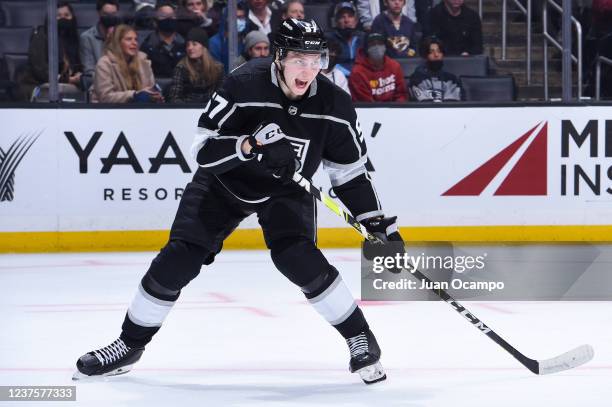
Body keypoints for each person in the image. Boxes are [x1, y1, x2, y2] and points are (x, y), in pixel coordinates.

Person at [74, 18, 403, 385]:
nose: (308, 69)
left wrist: (375, 222)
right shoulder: (243, 83)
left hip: (285, 188)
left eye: (315, 60)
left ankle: (360, 337)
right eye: (298, 59)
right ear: (278, 57)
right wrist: (250, 146)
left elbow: (350, 174)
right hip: (224, 182)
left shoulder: (334, 104)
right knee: (179, 258)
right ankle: (129, 344)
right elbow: (203, 149)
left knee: (298, 258)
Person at [18, 1, 83, 102]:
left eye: (67, 15)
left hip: (67, 86)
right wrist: (67, 79)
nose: (63, 18)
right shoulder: (40, 36)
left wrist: (79, 75)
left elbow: (77, 66)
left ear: (72, 17)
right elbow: (40, 70)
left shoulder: (74, 40)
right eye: (58, 16)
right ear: (51, 18)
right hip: (38, 85)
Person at [92, 24, 162, 103]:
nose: (134, 43)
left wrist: (154, 97)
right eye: (129, 39)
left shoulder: (144, 62)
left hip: (139, 110)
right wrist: (134, 95)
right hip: (111, 111)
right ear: (118, 43)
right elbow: (105, 97)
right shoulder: (104, 64)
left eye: (136, 39)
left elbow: (150, 90)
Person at [167, 27, 224, 103]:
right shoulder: (181, 68)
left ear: (204, 47)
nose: (190, 48)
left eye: (194, 44)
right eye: (188, 45)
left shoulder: (218, 68)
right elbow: (174, 98)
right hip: (185, 110)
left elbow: (221, 95)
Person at [349, 32, 407, 102]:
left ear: (385, 47)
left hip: (395, 108)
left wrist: (397, 107)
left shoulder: (394, 66)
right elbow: (364, 101)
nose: (377, 47)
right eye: (372, 44)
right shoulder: (357, 72)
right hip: (370, 110)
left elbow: (401, 93)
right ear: (366, 48)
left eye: (380, 44)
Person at [140, 2, 187, 78]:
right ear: (155, 22)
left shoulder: (185, 44)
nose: (169, 19)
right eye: (164, 16)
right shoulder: (147, 46)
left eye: (171, 16)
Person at [408, 36, 461, 102]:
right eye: (431, 52)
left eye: (439, 51)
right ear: (426, 56)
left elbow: (452, 103)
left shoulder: (452, 80)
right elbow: (422, 103)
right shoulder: (417, 79)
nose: (436, 55)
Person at [80, 0, 121, 80]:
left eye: (113, 14)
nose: (110, 17)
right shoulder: (87, 37)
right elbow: (89, 70)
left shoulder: (123, 36)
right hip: (98, 83)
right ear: (98, 13)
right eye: (106, 14)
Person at [326, 2, 366, 77]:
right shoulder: (330, 40)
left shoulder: (363, 38)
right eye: (342, 17)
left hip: (361, 78)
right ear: (336, 21)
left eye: (350, 16)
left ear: (356, 20)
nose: (346, 20)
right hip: (339, 79)